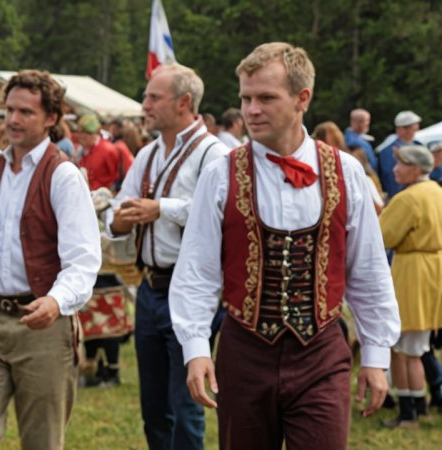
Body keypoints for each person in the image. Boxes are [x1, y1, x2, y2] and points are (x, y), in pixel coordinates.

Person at [171, 42, 400, 450]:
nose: (252, 110)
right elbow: (197, 269)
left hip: (321, 354)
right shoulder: (221, 173)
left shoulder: (347, 172)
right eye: (246, 98)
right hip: (244, 351)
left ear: (302, 99)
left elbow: (367, 270)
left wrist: (376, 355)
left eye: (266, 98)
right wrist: (196, 347)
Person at [0, 69, 101, 450]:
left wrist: (56, 301)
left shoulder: (63, 175)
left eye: (26, 112)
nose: (13, 119)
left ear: (51, 118)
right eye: (10, 110)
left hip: (44, 323)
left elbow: (83, 260)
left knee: (42, 442)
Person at [107, 63, 229, 450]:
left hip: (190, 288)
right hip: (149, 288)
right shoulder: (147, 154)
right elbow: (118, 208)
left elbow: (221, 211)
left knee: (185, 402)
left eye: (153, 97)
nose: (144, 105)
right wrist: (119, 221)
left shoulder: (215, 153)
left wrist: (161, 208)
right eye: (146, 97)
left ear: (183, 102)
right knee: (154, 405)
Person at [379, 145, 442, 428]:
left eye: (400, 164)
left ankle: (409, 412)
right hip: (433, 269)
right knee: (416, 344)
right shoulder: (437, 191)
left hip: (412, 272)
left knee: (405, 348)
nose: (394, 169)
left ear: (415, 169)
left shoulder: (407, 198)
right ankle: (418, 404)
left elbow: (383, 235)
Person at [378, 111, 422, 200]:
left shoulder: (418, 145)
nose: (417, 129)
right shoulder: (389, 151)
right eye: (415, 126)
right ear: (403, 129)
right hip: (403, 198)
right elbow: (391, 179)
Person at [73, 113, 122, 191]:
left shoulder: (108, 149)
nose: (81, 136)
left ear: (96, 133)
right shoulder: (80, 150)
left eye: (87, 133)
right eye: (80, 132)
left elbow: (115, 177)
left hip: (102, 194)